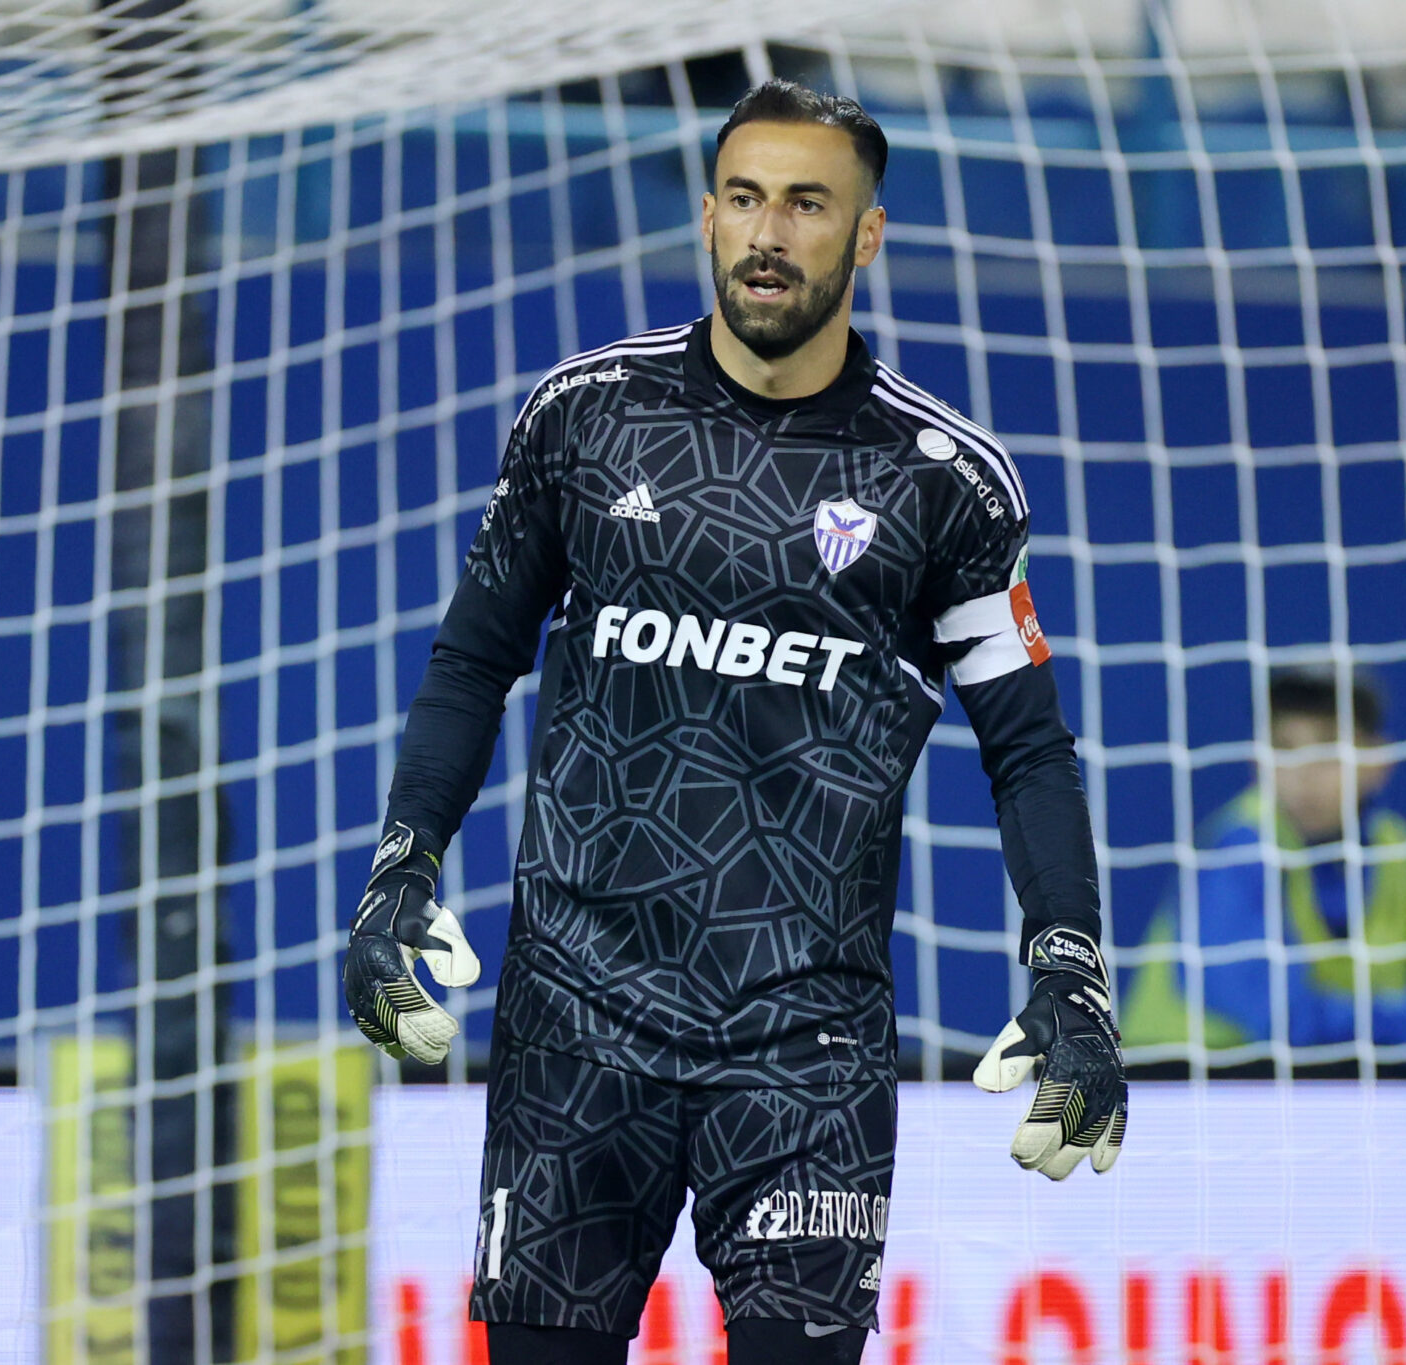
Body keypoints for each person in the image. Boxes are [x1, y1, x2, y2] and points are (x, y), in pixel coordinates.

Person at [340, 79, 1125, 1365]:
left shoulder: (947, 483)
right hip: (573, 1024)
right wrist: (400, 864)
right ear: (707, 216)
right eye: (745, 199)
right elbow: (472, 662)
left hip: (805, 1048)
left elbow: (1027, 748)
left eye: (807, 204)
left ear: (865, 235)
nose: (768, 232)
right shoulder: (585, 415)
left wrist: (1069, 967)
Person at [1122, 667, 1406, 1058]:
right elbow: (1286, 1023)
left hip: (1315, 1106)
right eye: (1284, 747)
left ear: (1378, 761)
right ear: (1257, 762)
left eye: (1328, 747)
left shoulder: (1398, 853)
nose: (1303, 772)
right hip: (1172, 1103)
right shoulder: (1238, 848)